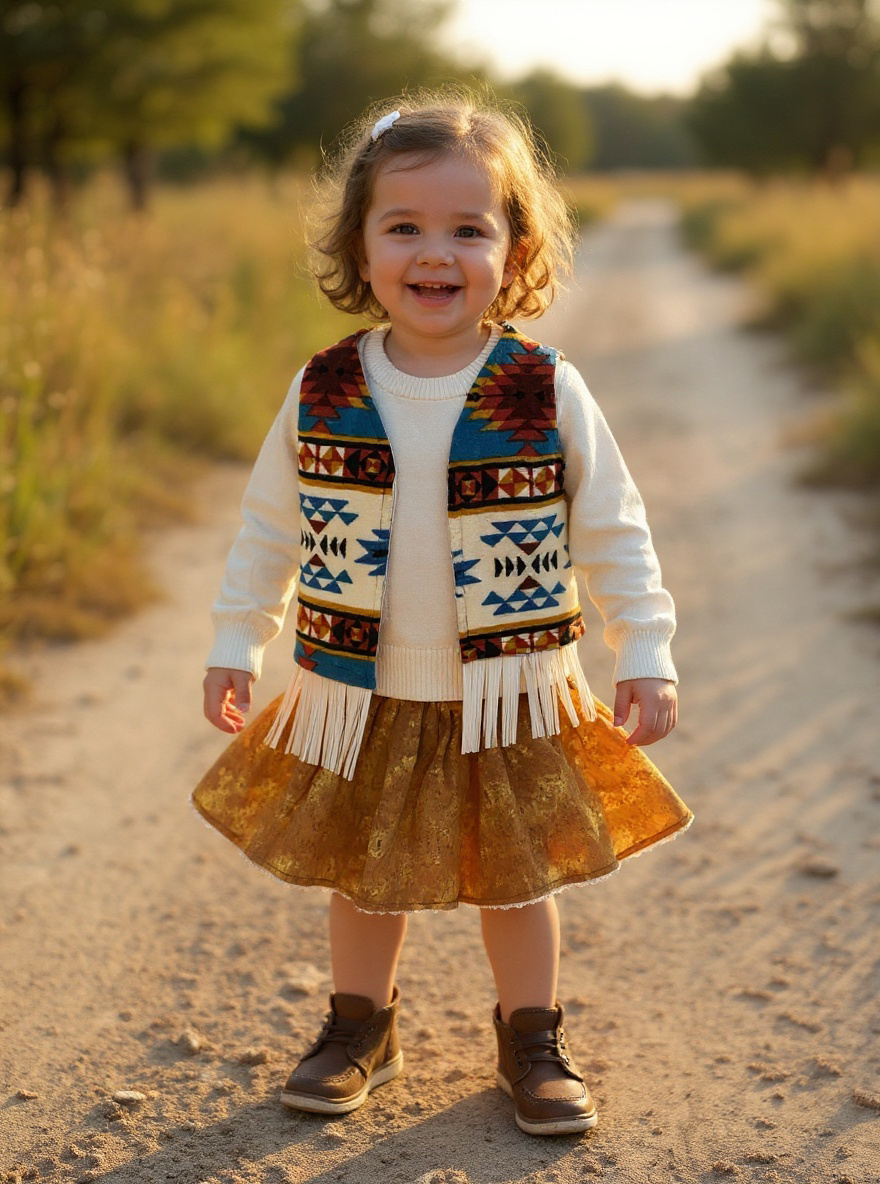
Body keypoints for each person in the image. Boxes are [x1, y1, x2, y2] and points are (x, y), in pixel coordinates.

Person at [193, 88, 693, 1138]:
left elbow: (613, 528)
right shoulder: (325, 387)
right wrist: (236, 639)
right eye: (404, 226)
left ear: (513, 251)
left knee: (515, 877)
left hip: (507, 692)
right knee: (364, 875)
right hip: (356, 686)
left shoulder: (539, 387)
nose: (436, 251)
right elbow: (266, 528)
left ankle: (531, 1034)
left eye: (470, 227)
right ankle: (359, 1024)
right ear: (360, 247)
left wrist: (642, 648)